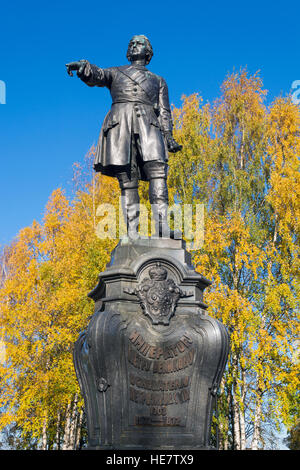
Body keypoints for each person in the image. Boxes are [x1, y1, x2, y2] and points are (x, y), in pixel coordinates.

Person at [66, 35, 182, 239]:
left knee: (158, 170)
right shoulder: (116, 72)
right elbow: (97, 75)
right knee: (128, 178)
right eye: (132, 43)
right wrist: (84, 66)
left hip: (150, 125)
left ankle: (162, 226)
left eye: (139, 43)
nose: (134, 45)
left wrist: (169, 136)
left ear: (148, 52)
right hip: (121, 125)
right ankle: (132, 231)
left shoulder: (158, 80)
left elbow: (164, 111)